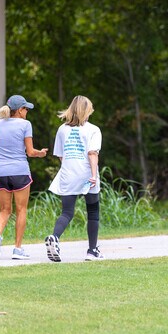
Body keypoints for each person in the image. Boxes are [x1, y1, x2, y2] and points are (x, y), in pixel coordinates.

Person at [45, 95, 104, 262]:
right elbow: (92, 153)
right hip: (87, 175)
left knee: (67, 212)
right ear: (86, 111)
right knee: (93, 212)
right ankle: (92, 250)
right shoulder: (93, 130)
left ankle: (54, 237)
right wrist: (93, 175)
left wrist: (70, 167)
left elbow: (61, 156)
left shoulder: (62, 129)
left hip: (68, 175)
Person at [0, 94, 48, 260]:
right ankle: (17, 249)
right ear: (19, 110)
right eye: (26, 109)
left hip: (0, 172)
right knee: (21, 209)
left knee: (4, 210)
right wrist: (41, 153)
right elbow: (30, 152)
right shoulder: (25, 124)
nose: (27, 111)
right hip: (19, 171)